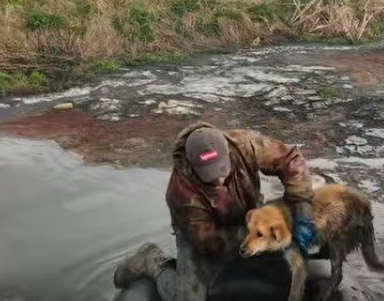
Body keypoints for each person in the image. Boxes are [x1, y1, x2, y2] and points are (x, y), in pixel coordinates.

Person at [113, 121, 317, 301]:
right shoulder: (181, 193)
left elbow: (290, 159)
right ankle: (153, 261)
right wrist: (252, 237)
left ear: (227, 153)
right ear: (193, 167)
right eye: (209, 176)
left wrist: (302, 208)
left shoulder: (244, 145)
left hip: (248, 214)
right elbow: (208, 242)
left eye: (222, 171)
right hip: (204, 234)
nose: (219, 180)